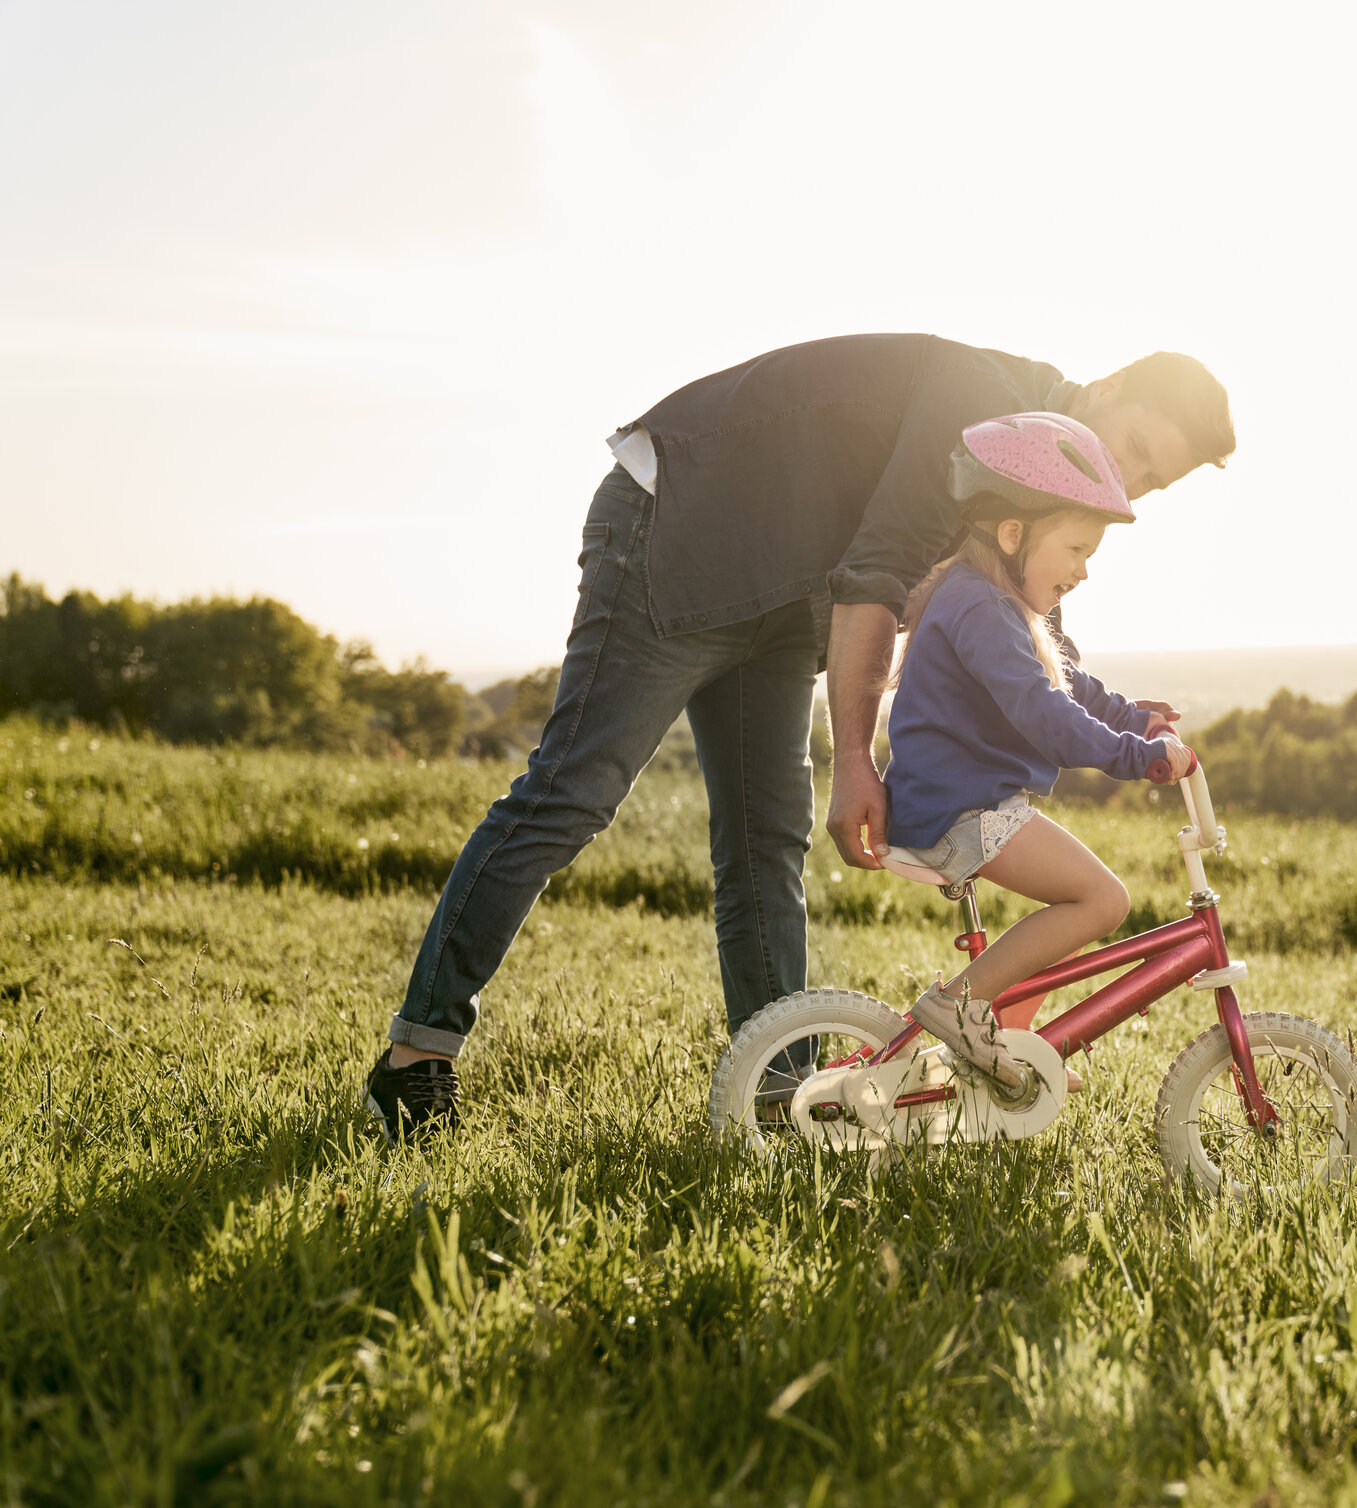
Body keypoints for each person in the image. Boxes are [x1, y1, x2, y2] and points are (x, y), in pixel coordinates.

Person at [364, 335, 1233, 1140]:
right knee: (571, 794)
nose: (1127, 476)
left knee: (765, 836)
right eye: (1137, 447)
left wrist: (1121, 713)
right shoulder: (982, 406)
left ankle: (781, 1091)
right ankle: (417, 1055)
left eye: (1150, 481)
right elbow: (880, 571)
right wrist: (857, 757)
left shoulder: (1034, 476)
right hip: (680, 525)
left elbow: (1025, 639)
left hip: (783, 602)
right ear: (1112, 385)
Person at [877, 413, 1192, 1091]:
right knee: (1101, 901)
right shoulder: (981, 609)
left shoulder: (996, 606)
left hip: (961, 805)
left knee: (1075, 913)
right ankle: (958, 1007)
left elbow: (1070, 686)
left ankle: (1005, 1041)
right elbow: (1045, 712)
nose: (1082, 572)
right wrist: (1136, 759)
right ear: (1013, 533)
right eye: (1076, 549)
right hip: (960, 810)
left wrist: (1137, 721)